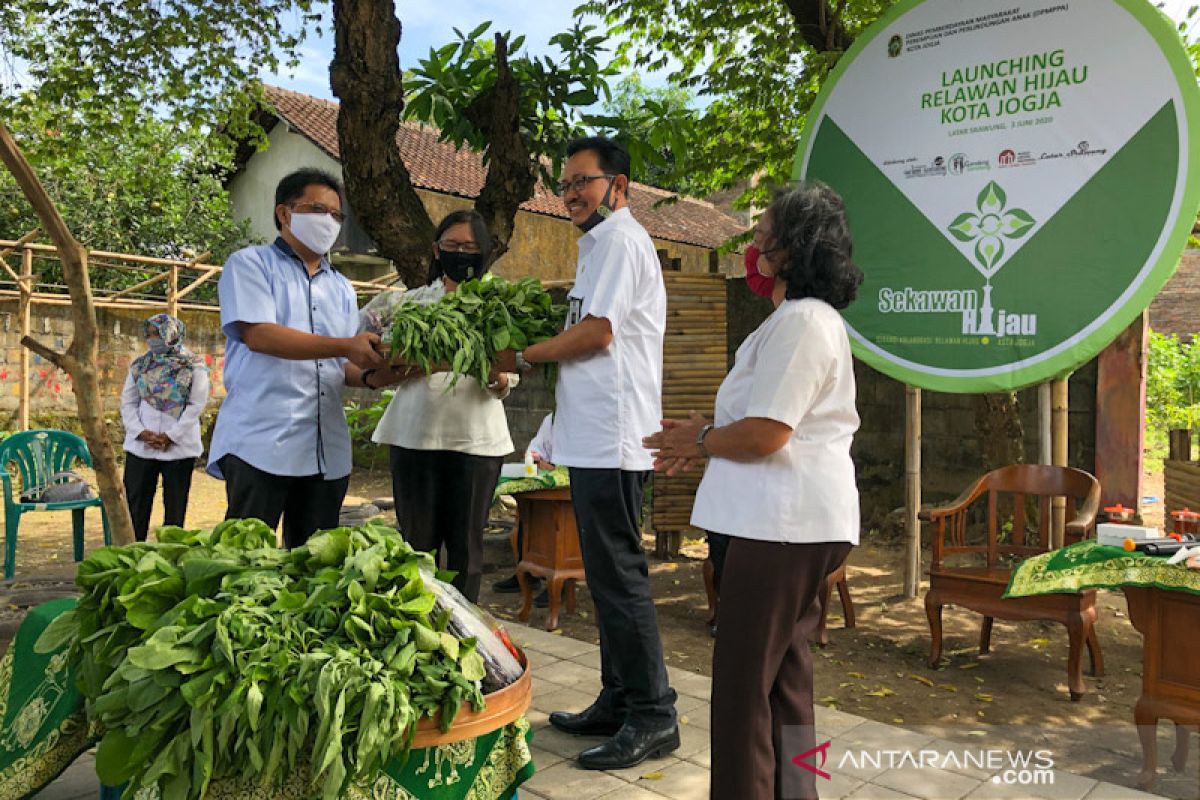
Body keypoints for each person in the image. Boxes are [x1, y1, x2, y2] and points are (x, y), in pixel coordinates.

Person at [644, 183, 863, 800]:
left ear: (793, 248)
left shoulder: (802, 324)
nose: (755, 241)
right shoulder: (798, 322)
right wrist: (701, 437)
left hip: (780, 528)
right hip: (789, 527)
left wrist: (704, 438)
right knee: (787, 685)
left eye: (764, 230)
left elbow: (768, 432)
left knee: (744, 693)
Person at [511, 136, 678, 770]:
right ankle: (618, 697)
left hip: (613, 438)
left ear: (621, 186)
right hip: (592, 437)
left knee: (620, 577)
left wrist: (525, 353)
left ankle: (653, 715)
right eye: (566, 184)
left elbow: (595, 333)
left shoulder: (621, 241)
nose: (572, 193)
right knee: (607, 580)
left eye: (584, 180)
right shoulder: (598, 247)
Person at [207, 168, 385, 548]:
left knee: (314, 569)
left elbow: (343, 367)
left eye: (337, 215)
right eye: (318, 209)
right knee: (245, 564)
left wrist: (378, 375)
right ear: (285, 214)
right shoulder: (250, 264)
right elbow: (260, 335)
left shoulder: (341, 287)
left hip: (326, 451)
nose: (330, 222)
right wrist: (345, 346)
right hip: (262, 445)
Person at [363, 210, 517, 603]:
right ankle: (419, 626)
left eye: (469, 247)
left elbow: (514, 365)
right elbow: (371, 350)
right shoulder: (410, 304)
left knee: (467, 550)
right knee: (417, 547)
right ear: (436, 250)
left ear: (484, 252)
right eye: (451, 246)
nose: (460, 254)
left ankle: (467, 637)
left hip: (477, 442)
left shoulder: (501, 306)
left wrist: (500, 377)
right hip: (414, 436)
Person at [120, 313, 210, 541]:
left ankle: (170, 557)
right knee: (136, 508)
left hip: (179, 448)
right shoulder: (140, 366)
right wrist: (140, 432)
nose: (152, 340)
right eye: (148, 335)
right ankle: (133, 554)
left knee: (175, 511)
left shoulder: (193, 366)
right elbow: (128, 402)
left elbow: (196, 404)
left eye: (157, 334)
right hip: (142, 447)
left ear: (171, 334)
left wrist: (171, 436)